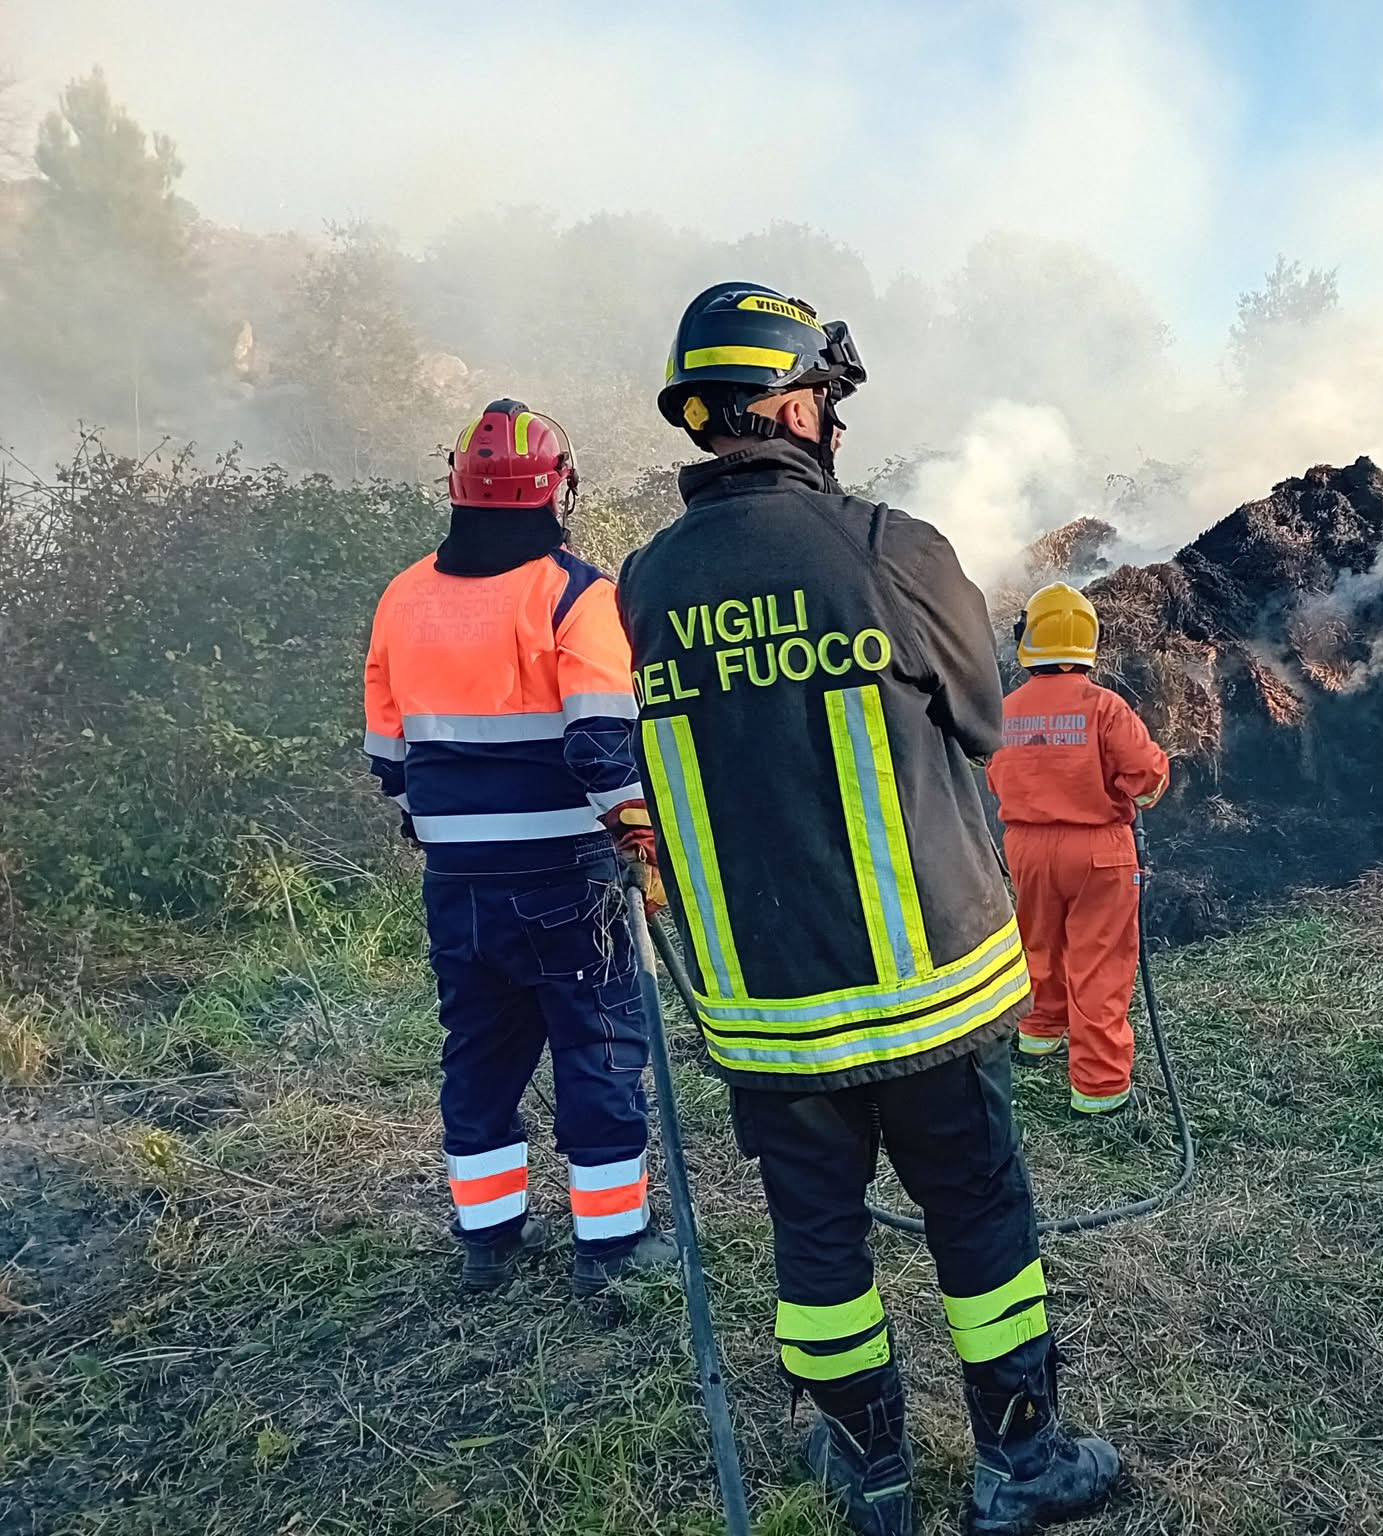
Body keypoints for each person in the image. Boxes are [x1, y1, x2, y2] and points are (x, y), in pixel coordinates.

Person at [616, 284, 1119, 1536]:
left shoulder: (643, 584)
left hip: (767, 1014)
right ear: (793, 404)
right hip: (932, 991)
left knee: (818, 1248)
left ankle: (869, 1471)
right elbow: (985, 721)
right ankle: (1019, 1462)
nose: (830, 422)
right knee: (980, 1217)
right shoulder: (896, 550)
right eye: (824, 399)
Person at [363, 399, 674, 1297]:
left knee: (479, 1052)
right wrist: (640, 834)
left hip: (456, 879)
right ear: (559, 489)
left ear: (455, 487)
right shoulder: (579, 595)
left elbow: (388, 757)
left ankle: (487, 1241)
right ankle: (613, 1249)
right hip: (565, 875)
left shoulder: (404, 593)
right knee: (600, 1046)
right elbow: (600, 746)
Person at [987, 585, 1170, 1116]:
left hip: (1026, 847)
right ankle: (1099, 1088)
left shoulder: (1006, 709)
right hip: (1100, 852)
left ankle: (1038, 1034)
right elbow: (1146, 781)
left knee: (1037, 944)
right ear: (1089, 642)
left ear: (1028, 639)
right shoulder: (1105, 707)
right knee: (1100, 962)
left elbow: (993, 773)